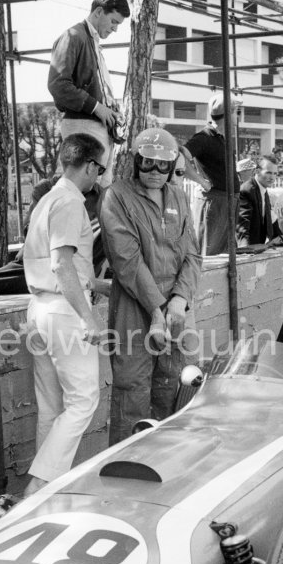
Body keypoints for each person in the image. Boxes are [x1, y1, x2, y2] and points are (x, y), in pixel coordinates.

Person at [99, 128, 202, 445]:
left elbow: (193, 255)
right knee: (132, 392)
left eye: (163, 164)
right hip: (134, 309)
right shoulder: (116, 196)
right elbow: (126, 260)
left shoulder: (179, 197)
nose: (155, 171)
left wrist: (179, 300)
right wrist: (157, 308)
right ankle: (124, 466)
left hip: (175, 310)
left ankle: (166, 462)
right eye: (147, 163)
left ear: (172, 166)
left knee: (172, 387)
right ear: (136, 161)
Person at [23, 133, 108, 496]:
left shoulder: (47, 200)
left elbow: (60, 264)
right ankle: (38, 486)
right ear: (89, 165)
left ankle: (46, 491)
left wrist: (98, 286)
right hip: (65, 311)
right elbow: (61, 265)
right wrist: (88, 317)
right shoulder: (71, 203)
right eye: (100, 169)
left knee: (51, 407)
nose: (99, 178)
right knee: (84, 400)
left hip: (39, 308)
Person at [48, 0, 131, 187]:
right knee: (83, 187)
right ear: (98, 12)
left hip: (97, 127)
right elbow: (57, 84)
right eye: (114, 22)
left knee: (100, 187)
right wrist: (96, 107)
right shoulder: (74, 36)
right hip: (82, 125)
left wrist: (109, 110)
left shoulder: (91, 41)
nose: (115, 29)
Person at [182, 92, 242, 255]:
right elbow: (180, 156)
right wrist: (200, 181)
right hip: (215, 203)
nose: (238, 116)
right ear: (229, 113)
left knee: (224, 255)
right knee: (209, 254)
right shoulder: (205, 137)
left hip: (227, 202)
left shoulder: (221, 138)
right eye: (237, 111)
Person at [236, 155, 282, 247]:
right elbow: (243, 226)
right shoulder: (247, 191)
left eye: (275, 173)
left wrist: (282, 239)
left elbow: (271, 220)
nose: (272, 178)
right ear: (257, 171)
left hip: (258, 247)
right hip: (249, 250)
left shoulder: (263, 189)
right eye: (269, 173)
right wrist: (247, 252)